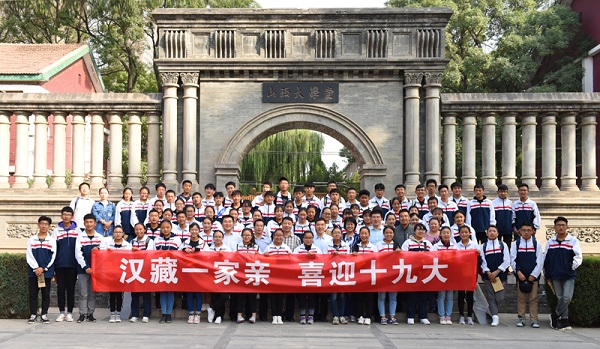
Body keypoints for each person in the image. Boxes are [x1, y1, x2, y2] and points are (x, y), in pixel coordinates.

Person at [544, 216, 582, 331]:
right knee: (560, 297)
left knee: (566, 297)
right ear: (554, 227)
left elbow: (578, 257)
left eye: (563, 225)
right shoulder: (550, 242)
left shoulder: (573, 241)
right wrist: (547, 274)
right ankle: (565, 321)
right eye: (558, 225)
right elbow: (546, 259)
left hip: (568, 274)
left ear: (567, 227)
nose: (561, 227)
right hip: (555, 274)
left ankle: (554, 315)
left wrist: (571, 267)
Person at [510, 221, 544, 328]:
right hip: (521, 276)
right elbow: (513, 259)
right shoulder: (516, 244)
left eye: (528, 230)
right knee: (521, 298)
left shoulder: (537, 244)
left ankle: (534, 319)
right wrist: (518, 272)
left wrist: (533, 275)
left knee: (533, 298)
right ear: (519, 231)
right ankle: (521, 318)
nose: (526, 232)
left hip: (533, 277)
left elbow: (539, 261)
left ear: (533, 231)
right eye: (524, 230)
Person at [26, 216, 56, 324]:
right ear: (38, 225)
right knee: (33, 294)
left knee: (46, 294)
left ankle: (44, 315)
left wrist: (43, 268)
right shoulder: (31, 240)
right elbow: (29, 255)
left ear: (49, 226)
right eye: (42, 223)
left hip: (46, 272)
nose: (44, 226)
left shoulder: (51, 240)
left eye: (46, 224)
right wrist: (36, 268)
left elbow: (52, 256)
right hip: (34, 272)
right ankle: (33, 314)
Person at [401, 223, 433, 325]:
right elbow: (404, 255)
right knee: (411, 295)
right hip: (412, 272)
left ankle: (423, 316)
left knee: (423, 295)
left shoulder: (428, 243)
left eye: (423, 230)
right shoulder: (407, 242)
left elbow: (432, 257)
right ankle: (410, 316)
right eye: (418, 229)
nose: (421, 231)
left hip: (424, 272)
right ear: (414, 231)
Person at [75, 213, 103, 323]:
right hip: (83, 270)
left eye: (91, 222)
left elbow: (103, 253)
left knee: (92, 293)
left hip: (96, 270)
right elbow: (78, 254)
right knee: (83, 293)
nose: (89, 224)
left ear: (95, 223)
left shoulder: (100, 237)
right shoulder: (80, 237)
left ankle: (91, 314)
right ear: (84, 223)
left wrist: (98, 249)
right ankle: (82, 314)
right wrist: (86, 267)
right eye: (87, 222)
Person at [480, 225, 510, 327]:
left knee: (500, 297)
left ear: (497, 233)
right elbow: (482, 261)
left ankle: (491, 310)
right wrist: (488, 272)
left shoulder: (503, 245)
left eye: (494, 231)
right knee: (490, 297)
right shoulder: (483, 246)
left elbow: (507, 260)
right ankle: (495, 316)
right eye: (490, 231)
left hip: (500, 275)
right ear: (486, 233)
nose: (492, 233)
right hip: (488, 276)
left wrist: (497, 272)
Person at [100, 225, 131, 323]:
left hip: (122, 273)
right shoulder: (108, 244)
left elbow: (130, 257)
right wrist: (106, 252)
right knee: (112, 294)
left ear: (123, 233)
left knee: (120, 294)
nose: (118, 234)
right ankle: (112, 312)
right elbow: (101, 254)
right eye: (116, 232)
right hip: (111, 272)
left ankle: (118, 313)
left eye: (119, 232)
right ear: (113, 233)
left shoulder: (127, 245)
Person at [53, 206, 78, 322]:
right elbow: (53, 249)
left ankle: (70, 313)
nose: (66, 216)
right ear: (61, 216)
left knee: (71, 289)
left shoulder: (77, 231)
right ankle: (61, 312)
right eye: (64, 214)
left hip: (72, 265)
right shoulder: (56, 231)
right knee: (60, 289)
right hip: (59, 265)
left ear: (72, 216)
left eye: (68, 214)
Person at [154, 220, 182, 323]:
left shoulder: (177, 239)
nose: (165, 229)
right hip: (160, 267)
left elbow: (180, 254)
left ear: (171, 228)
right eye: (163, 227)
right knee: (162, 291)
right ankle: (163, 314)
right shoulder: (157, 239)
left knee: (170, 291)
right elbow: (153, 254)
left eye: (167, 227)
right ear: (161, 228)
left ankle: (169, 314)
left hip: (172, 268)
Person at [263, 228, 292, 325]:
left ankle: (279, 315)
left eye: (280, 235)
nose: (278, 237)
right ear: (273, 236)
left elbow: (291, 261)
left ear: (283, 237)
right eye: (276, 235)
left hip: (283, 277)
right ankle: (274, 315)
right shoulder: (268, 248)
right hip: (271, 276)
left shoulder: (287, 248)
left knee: (281, 296)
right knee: (272, 297)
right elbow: (263, 260)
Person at [294, 231, 322, 324]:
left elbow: (322, 261)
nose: (308, 240)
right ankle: (302, 316)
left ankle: (311, 316)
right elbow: (293, 261)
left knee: (312, 296)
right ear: (303, 238)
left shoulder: (317, 249)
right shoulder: (298, 249)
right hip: (301, 276)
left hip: (314, 276)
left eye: (310, 238)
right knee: (301, 296)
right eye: (306, 238)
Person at [352, 227, 378, 325]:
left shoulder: (373, 247)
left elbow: (376, 260)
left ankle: (368, 316)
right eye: (362, 234)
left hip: (370, 275)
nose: (363, 236)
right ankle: (360, 315)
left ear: (369, 235)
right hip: (358, 275)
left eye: (365, 234)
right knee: (359, 297)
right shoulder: (356, 246)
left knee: (369, 297)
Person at [431, 226, 457, 325]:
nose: (446, 234)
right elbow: (431, 257)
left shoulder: (455, 247)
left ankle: (448, 315)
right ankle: (441, 315)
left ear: (450, 234)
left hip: (451, 273)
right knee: (441, 295)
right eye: (444, 233)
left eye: (448, 233)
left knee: (450, 295)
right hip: (440, 273)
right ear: (440, 234)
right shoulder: (436, 246)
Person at [130, 223, 155, 323]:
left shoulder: (149, 241)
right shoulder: (132, 241)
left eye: (141, 229)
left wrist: (138, 251)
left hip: (145, 269)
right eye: (136, 229)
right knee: (134, 293)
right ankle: (134, 314)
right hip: (134, 270)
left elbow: (149, 254)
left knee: (146, 293)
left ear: (144, 230)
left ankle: (146, 314)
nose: (139, 231)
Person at [455, 225, 479, 325]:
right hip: (460, 273)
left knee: (470, 295)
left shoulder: (474, 245)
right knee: (461, 295)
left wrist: (477, 253)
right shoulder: (456, 246)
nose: (464, 234)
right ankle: (461, 316)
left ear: (470, 233)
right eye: (462, 232)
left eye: (466, 232)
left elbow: (479, 259)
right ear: (459, 234)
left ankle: (469, 316)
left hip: (471, 273)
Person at [182, 222, 206, 324]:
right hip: (188, 271)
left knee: (198, 293)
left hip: (199, 271)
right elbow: (178, 252)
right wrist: (184, 249)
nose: (194, 232)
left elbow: (207, 254)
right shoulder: (185, 242)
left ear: (199, 231)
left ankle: (198, 314)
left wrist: (198, 250)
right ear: (189, 231)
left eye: (196, 230)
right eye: (192, 230)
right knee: (189, 293)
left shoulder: (203, 242)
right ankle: (191, 313)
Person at [376, 225, 400, 325]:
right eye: (387, 233)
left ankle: (392, 316)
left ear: (393, 234)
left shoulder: (397, 245)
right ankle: (383, 317)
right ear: (383, 234)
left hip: (394, 274)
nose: (389, 235)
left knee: (393, 297)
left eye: (391, 233)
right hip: (382, 273)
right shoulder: (378, 245)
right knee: (382, 296)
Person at [236, 228, 260, 323]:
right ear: (241, 236)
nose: (246, 237)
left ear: (251, 236)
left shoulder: (256, 247)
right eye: (244, 235)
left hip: (252, 274)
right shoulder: (238, 246)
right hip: (240, 274)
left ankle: (253, 315)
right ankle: (239, 315)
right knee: (241, 295)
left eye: (248, 235)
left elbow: (260, 259)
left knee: (252, 295)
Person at [327, 226, 350, 325]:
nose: (337, 234)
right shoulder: (328, 245)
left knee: (342, 295)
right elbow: (324, 258)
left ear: (341, 234)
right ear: (332, 234)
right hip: (331, 273)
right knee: (334, 296)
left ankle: (342, 315)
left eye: (338, 233)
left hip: (342, 273)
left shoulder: (346, 245)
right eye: (335, 232)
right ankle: (335, 316)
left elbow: (349, 258)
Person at [206, 230, 230, 324]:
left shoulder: (227, 249)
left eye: (220, 237)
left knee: (224, 296)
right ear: (213, 238)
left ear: (223, 238)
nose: (218, 238)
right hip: (213, 276)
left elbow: (232, 260)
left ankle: (212, 309)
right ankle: (219, 316)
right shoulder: (209, 249)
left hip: (224, 275)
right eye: (216, 237)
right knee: (215, 296)